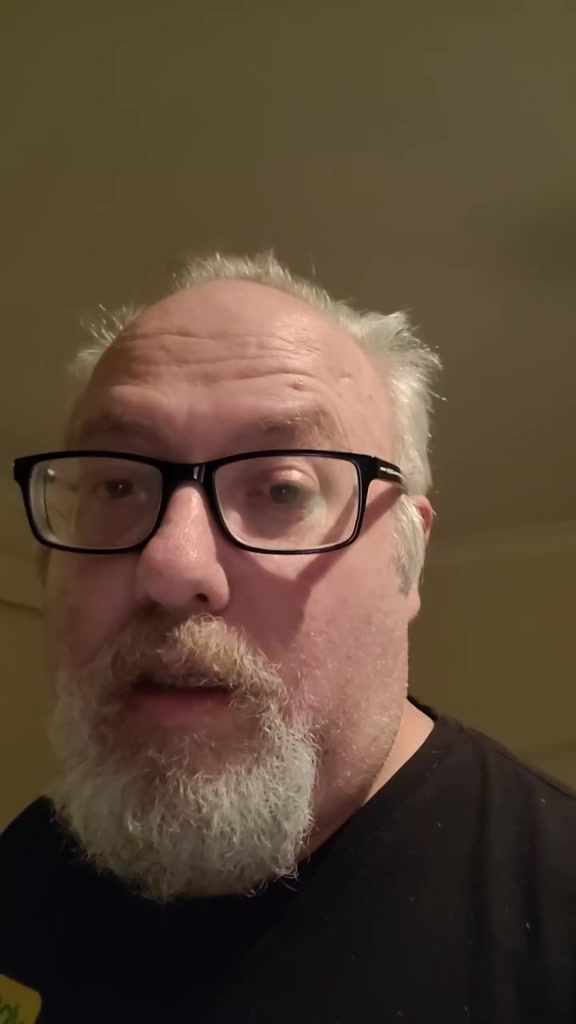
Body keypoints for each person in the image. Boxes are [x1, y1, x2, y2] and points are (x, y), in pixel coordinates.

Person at [1, 252, 574, 1024]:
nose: (171, 567)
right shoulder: (31, 863)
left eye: (281, 489)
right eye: (119, 485)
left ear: (406, 561)